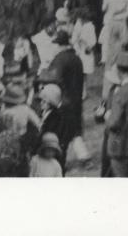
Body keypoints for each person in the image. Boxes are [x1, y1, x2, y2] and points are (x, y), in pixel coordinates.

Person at [48, 30, 87, 168]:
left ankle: (60, 162)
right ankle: (84, 157)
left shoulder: (59, 60)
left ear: (59, 45)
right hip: (76, 99)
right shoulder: (77, 58)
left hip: (63, 101)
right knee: (76, 129)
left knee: (61, 134)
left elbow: (54, 79)